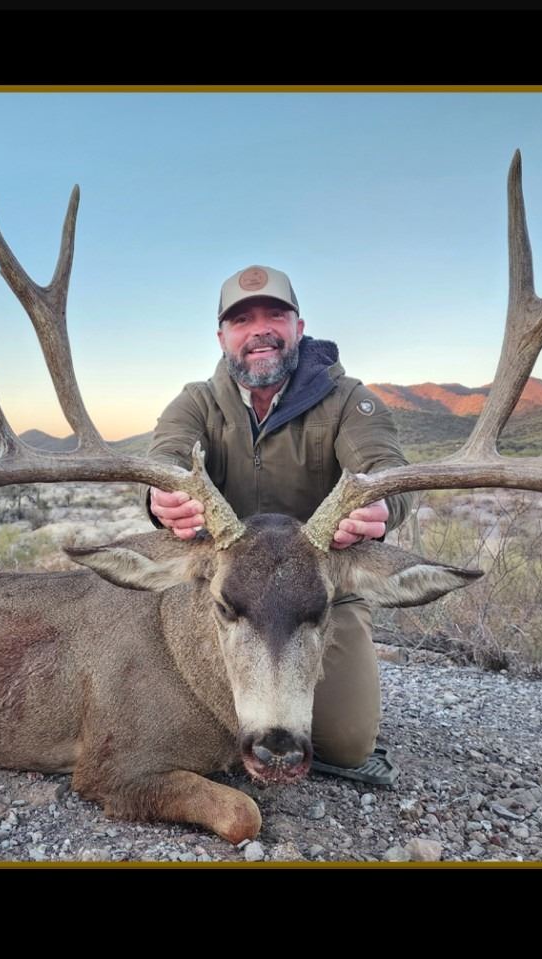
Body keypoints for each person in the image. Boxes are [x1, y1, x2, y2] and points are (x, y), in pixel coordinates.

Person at [144, 264, 412, 784]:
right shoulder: (197, 401)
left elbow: (387, 472)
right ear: (222, 337)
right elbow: (166, 459)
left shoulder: (348, 400)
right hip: (225, 593)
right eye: (242, 320)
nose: (260, 330)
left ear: (299, 327)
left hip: (316, 592)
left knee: (347, 744)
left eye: (275, 316)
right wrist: (161, 497)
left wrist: (382, 506)